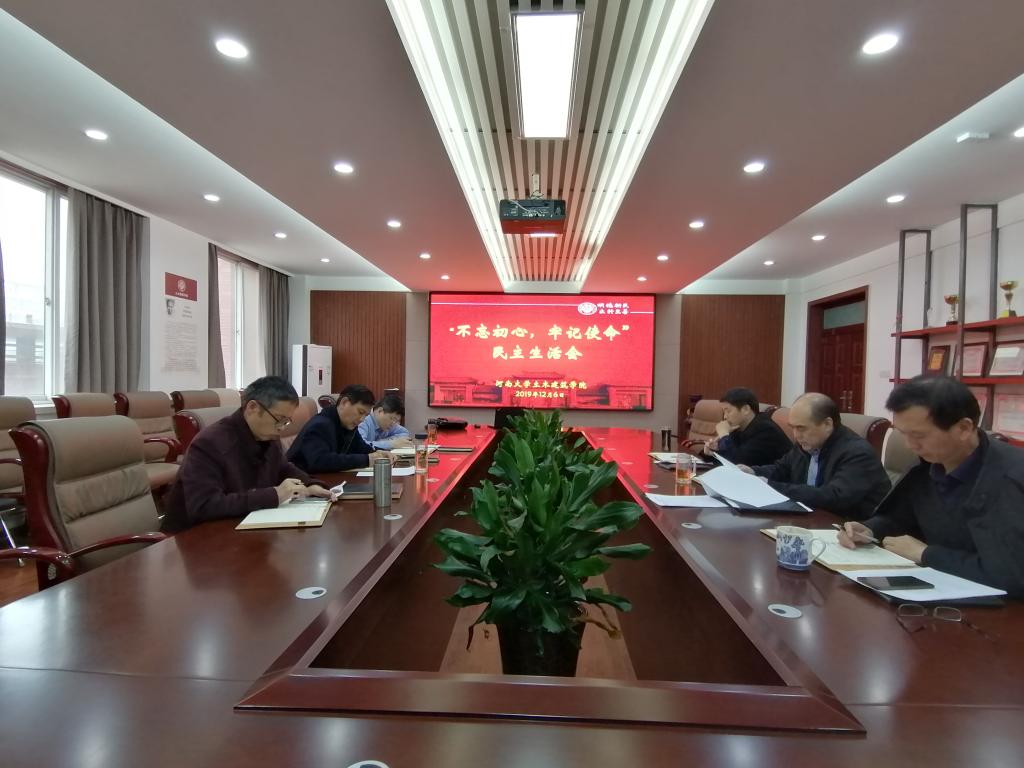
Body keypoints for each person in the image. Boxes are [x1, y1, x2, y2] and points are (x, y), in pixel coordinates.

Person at [839, 376, 1024, 596]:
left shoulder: (1009, 478)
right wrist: (870, 529)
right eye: (903, 434)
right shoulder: (929, 464)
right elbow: (901, 519)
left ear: (964, 428)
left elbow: (1011, 574)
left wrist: (927, 554)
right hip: (935, 590)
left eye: (919, 435)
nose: (910, 445)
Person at [161, 376, 331, 532]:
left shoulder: (267, 436)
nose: (282, 427)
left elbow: (283, 468)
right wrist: (274, 495)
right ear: (252, 407)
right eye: (279, 419)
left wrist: (310, 484)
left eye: (286, 421)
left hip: (241, 527)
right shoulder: (209, 443)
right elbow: (204, 506)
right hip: (195, 538)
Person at [742, 392, 890, 519]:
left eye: (801, 428)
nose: (796, 435)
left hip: (850, 529)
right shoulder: (807, 443)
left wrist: (770, 486)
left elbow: (834, 497)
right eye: (793, 428)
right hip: (812, 519)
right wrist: (753, 472)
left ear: (827, 424)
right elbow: (781, 469)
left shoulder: (858, 453)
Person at [287, 383, 392, 472]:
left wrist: (378, 453)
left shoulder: (347, 424)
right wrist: (367, 459)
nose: (362, 419)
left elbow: (360, 448)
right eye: (360, 412)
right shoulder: (321, 425)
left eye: (366, 415)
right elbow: (320, 461)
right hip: (299, 484)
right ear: (344, 402)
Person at [704, 387, 791, 465]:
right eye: (724, 412)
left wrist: (724, 435)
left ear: (746, 409)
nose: (725, 417)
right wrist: (712, 453)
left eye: (728, 411)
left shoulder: (766, 430)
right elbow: (729, 457)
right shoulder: (738, 428)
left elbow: (737, 462)